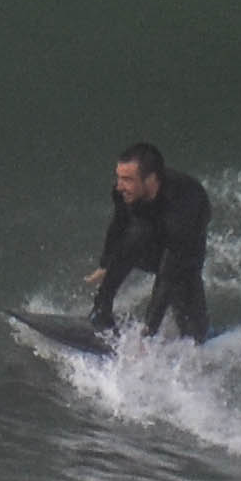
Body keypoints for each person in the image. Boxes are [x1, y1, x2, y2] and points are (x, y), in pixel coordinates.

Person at [87, 141, 214, 342]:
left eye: (127, 179)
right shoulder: (124, 191)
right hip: (151, 234)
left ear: (151, 180)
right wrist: (105, 263)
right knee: (135, 236)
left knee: (194, 334)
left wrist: (147, 331)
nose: (119, 185)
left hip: (185, 248)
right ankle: (101, 312)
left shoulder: (184, 204)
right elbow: (119, 224)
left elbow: (167, 275)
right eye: (119, 177)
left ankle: (191, 333)